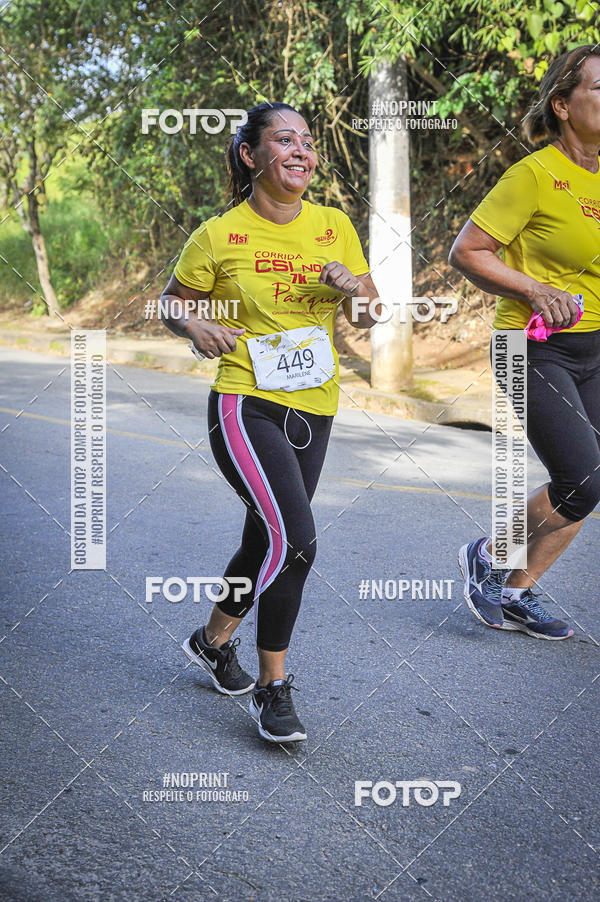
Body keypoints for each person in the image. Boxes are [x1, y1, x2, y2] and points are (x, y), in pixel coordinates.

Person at [160, 102, 379, 741]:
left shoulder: (334, 225)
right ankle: (272, 687)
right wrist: (193, 324)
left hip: (316, 404)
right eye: (284, 139)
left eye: (307, 141)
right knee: (298, 541)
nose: (301, 150)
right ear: (250, 155)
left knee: (266, 537)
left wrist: (354, 290)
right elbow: (172, 302)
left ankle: (210, 641)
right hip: (244, 401)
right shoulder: (218, 234)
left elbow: (370, 315)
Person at [450, 44, 600, 640]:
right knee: (583, 477)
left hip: (595, 348)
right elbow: (468, 252)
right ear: (563, 105)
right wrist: (536, 289)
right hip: (531, 347)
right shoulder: (533, 176)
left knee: (592, 480)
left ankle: (516, 591)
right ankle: (488, 553)